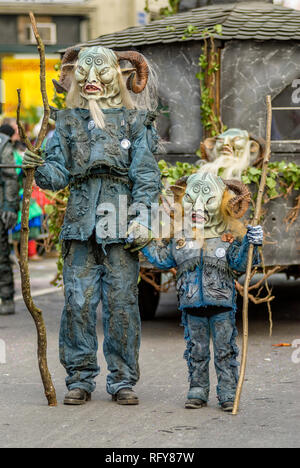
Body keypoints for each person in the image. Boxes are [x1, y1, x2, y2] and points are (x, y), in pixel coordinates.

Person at [22, 46, 161, 406]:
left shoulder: (136, 122)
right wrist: (38, 166)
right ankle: (80, 378)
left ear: (117, 76)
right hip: (80, 222)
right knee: (78, 303)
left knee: (122, 304)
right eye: (85, 74)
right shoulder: (66, 121)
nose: (93, 80)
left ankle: (123, 380)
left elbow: (145, 176)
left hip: (120, 223)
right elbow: (57, 175)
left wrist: (143, 218)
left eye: (101, 73)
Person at [141, 173, 263, 413]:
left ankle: (228, 392)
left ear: (222, 204)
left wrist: (251, 243)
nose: (198, 207)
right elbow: (164, 260)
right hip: (191, 306)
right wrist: (143, 241)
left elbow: (240, 265)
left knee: (225, 350)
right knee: (196, 349)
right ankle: (197, 389)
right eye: (192, 199)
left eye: (207, 200)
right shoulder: (181, 238)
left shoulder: (228, 237)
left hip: (223, 306)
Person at [0, 124, 19, 315]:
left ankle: (6, 297)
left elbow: (10, 176)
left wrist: (9, 207)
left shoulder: (1, 143)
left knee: (1, 255)